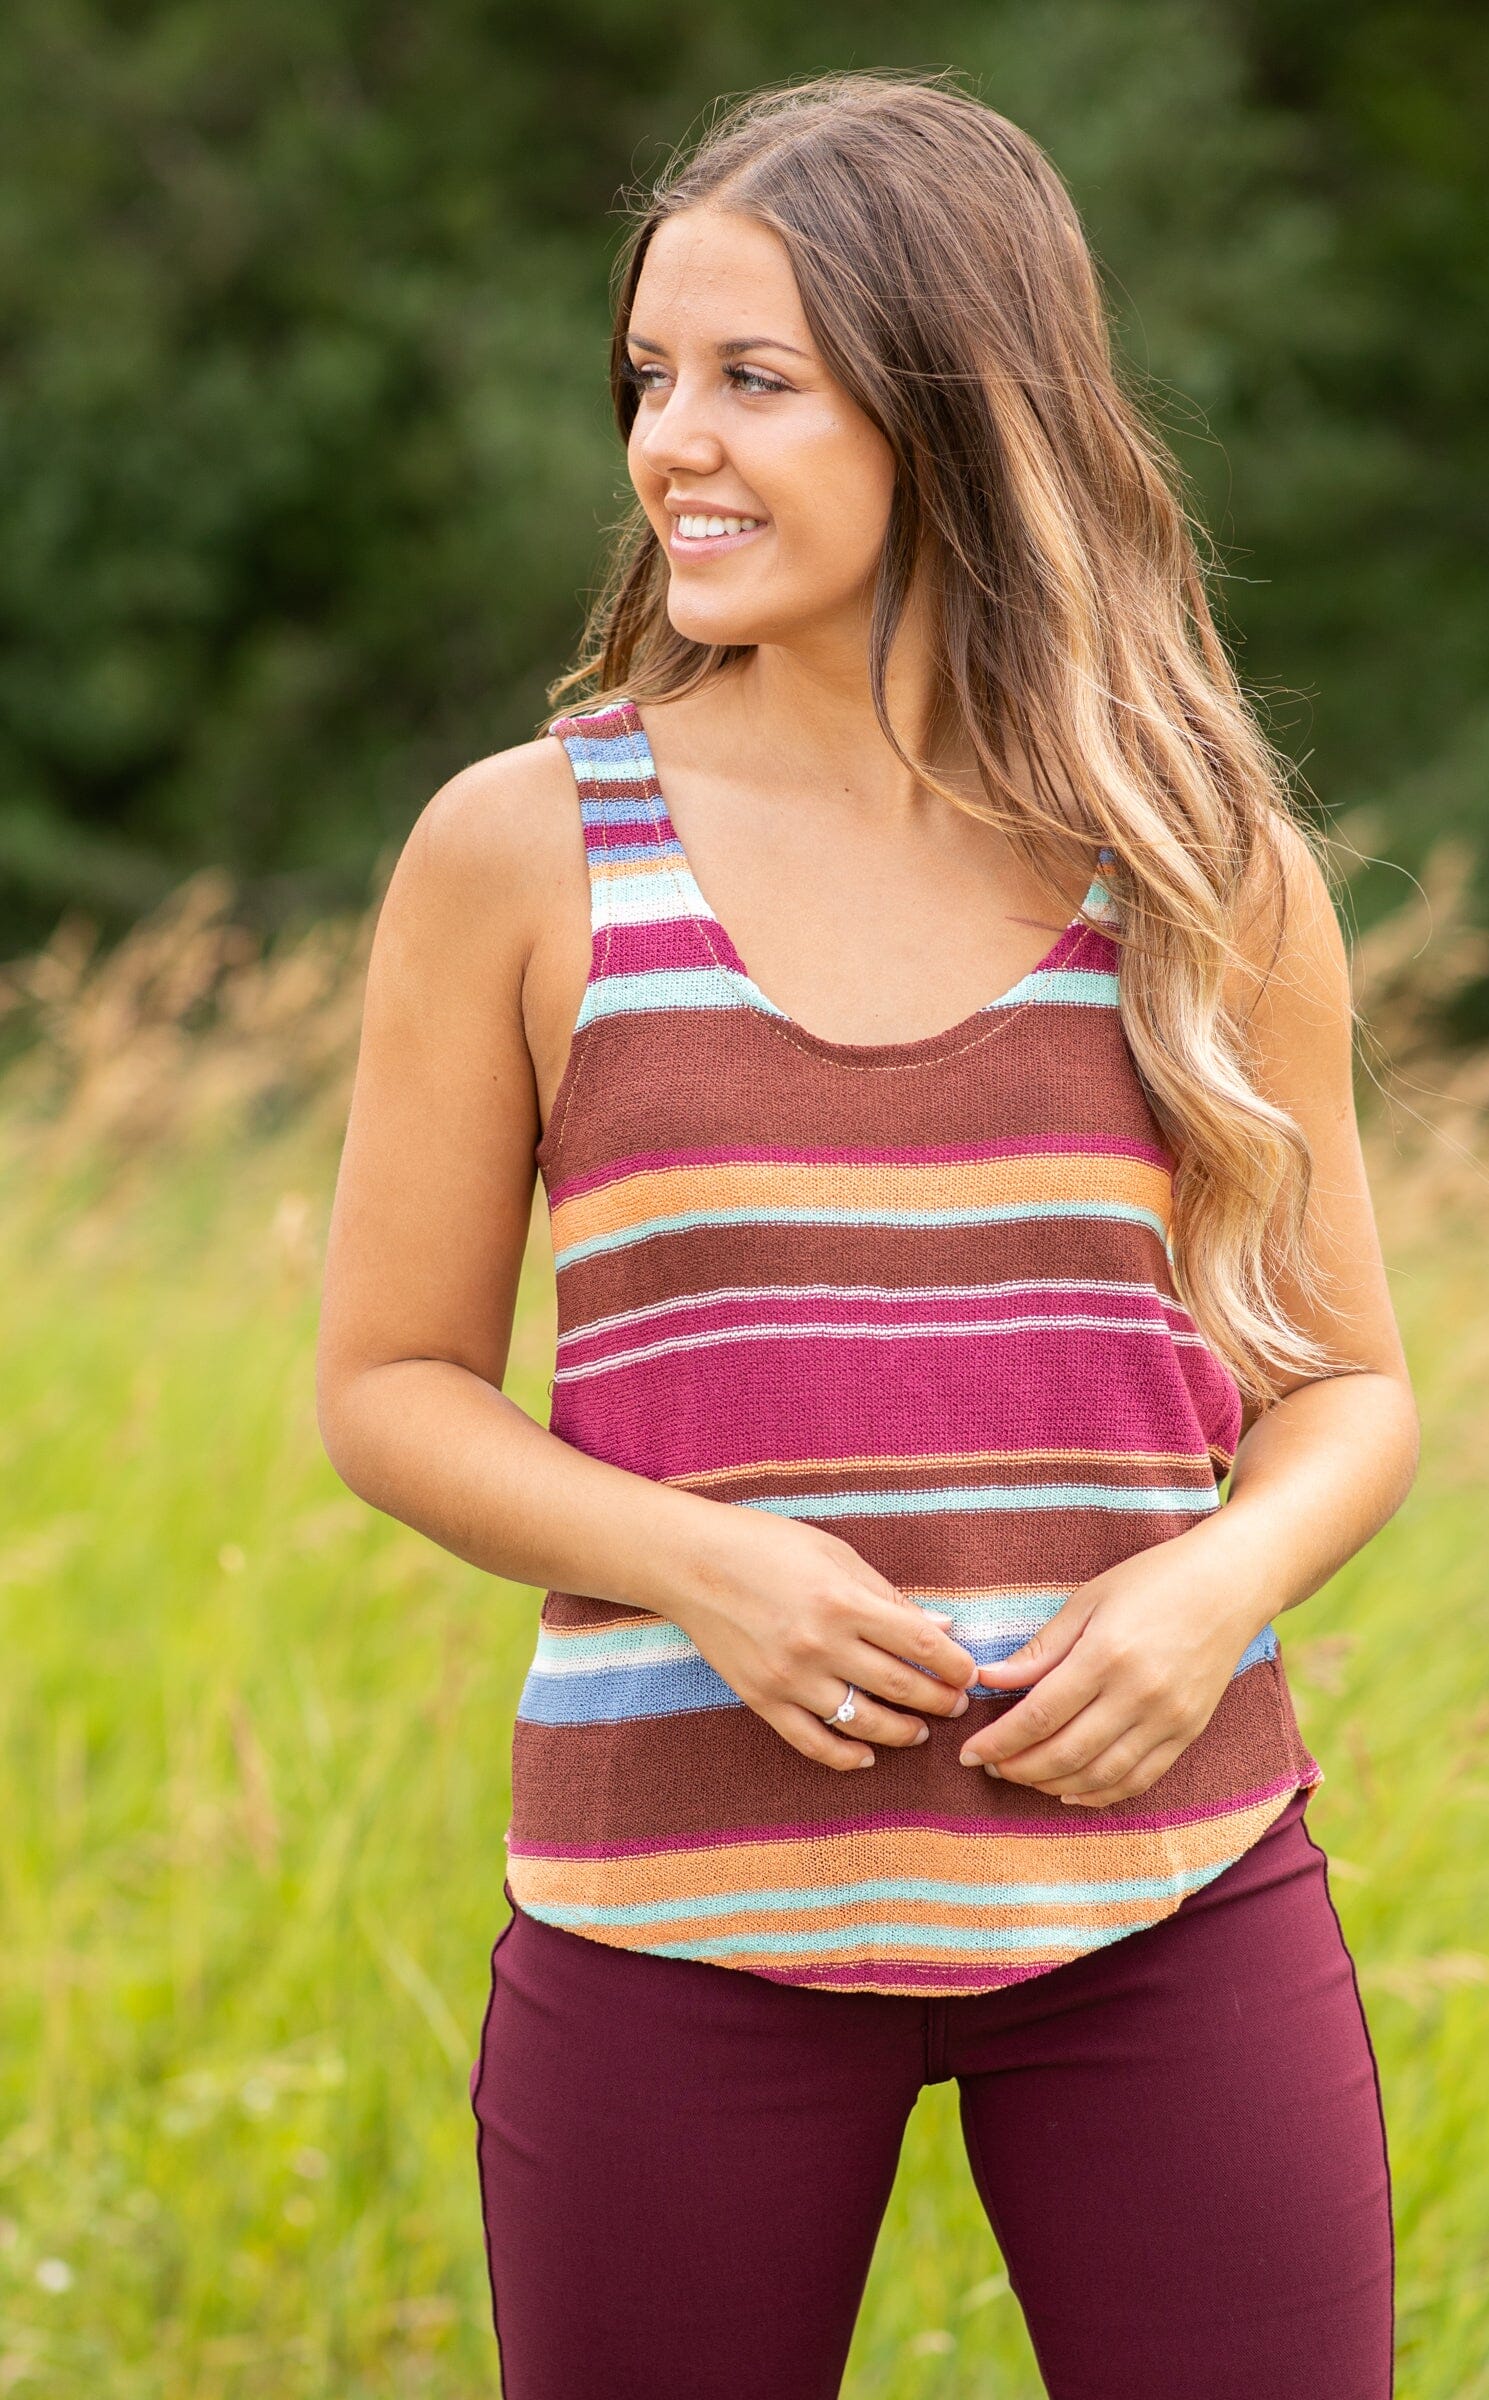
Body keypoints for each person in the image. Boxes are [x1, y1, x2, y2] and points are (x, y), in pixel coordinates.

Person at [316, 70, 1418, 2400]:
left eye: (754, 379)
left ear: (954, 410)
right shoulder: (519, 852)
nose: (672, 445)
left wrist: (1211, 1585)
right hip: (668, 1915)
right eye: (646, 378)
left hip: (1166, 1890)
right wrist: (700, 1565)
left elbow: (1342, 1388)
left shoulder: (1198, 856)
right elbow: (388, 1390)